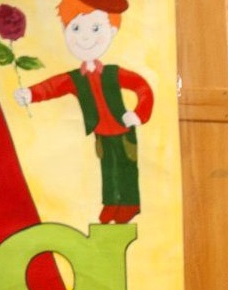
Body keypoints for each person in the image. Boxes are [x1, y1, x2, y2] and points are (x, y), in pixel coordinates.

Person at [14, 0, 152, 224]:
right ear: (65, 31)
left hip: (123, 129)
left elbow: (142, 86)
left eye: (95, 28)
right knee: (108, 167)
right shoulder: (76, 78)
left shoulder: (113, 73)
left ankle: (130, 204)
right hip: (101, 132)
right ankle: (111, 203)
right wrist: (30, 93)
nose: (85, 37)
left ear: (112, 30)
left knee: (126, 165)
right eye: (76, 28)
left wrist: (139, 113)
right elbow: (53, 86)